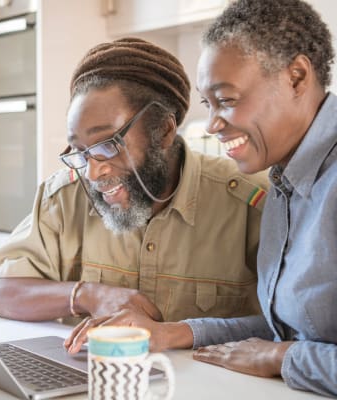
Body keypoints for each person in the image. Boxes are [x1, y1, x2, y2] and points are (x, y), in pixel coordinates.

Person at [66, 1, 337, 397]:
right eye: (208, 105)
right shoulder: (284, 181)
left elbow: (286, 346)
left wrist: (282, 359)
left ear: (296, 76)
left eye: (226, 100)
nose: (211, 125)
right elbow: (295, 330)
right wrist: (169, 333)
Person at [0, 38, 268, 335]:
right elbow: (0, 292)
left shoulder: (250, 201)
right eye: (81, 151)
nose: (93, 173)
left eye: (107, 146)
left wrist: (183, 334)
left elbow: (293, 328)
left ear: (164, 131)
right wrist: (88, 295)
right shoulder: (66, 196)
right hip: (95, 378)